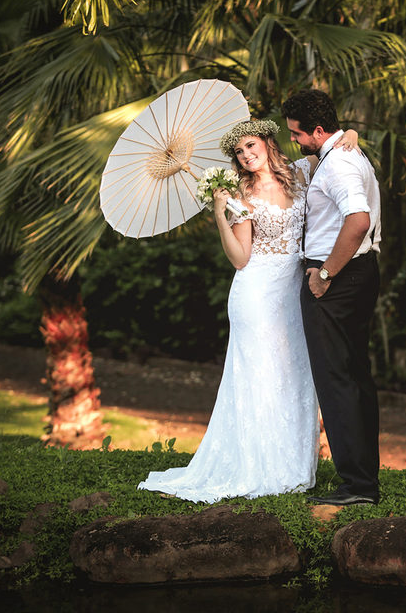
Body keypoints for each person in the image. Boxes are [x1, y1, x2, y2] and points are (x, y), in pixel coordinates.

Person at [137, 119, 358, 501]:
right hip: (255, 293)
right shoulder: (239, 193)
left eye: (250, 146)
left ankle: (292, 468)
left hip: (294, 291)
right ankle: (259, 467)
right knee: (260, 376)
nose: (246, 155)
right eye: (239, 152)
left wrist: (351, 135)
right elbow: (240, 259)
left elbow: (334, 147)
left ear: (268, 143)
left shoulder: (299, 174)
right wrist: (221, 215)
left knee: (294, 374)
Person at [282, 89, 382, 506]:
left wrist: (325, 274)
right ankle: (362, 480)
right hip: (357, 275)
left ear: (317, 130)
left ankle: (356, 486)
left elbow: (358, 222)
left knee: (337, 378)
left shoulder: (338, 162)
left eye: (297, 134)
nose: (294, 141)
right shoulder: (339, 155)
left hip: (338, 279)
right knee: (354, 376)